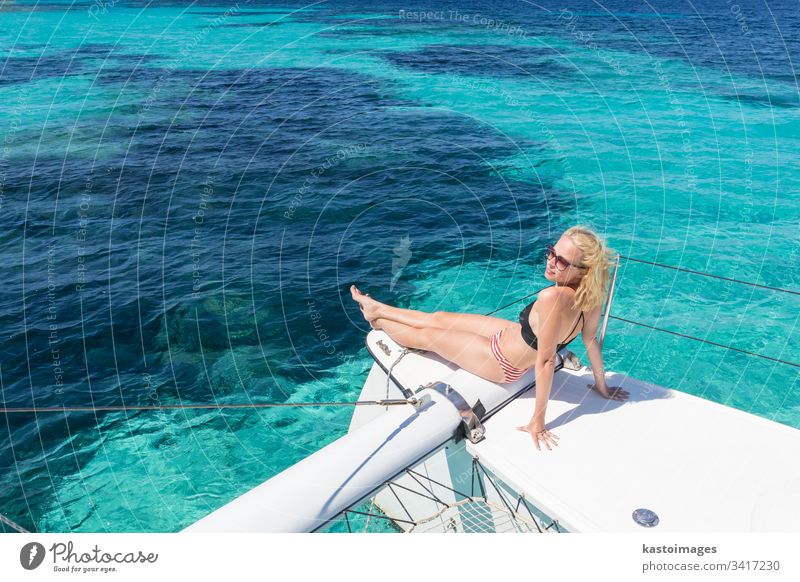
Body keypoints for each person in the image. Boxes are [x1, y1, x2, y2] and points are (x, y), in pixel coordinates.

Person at [350, 225, 629, 451]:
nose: (550, 262)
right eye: (550, 253)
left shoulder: (552, 297)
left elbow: (544, 362)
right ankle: (380, 307)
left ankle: (377, 320)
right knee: (440, 317)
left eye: (561, 261)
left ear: (582, 271)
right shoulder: (591, 296)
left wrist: (538, 421)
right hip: (510, 334)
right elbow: (591, 341)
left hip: (502, 362)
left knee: (427, 335)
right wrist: (601, 386)